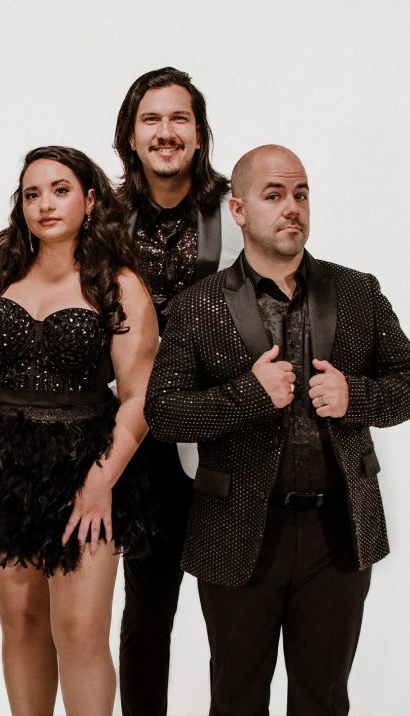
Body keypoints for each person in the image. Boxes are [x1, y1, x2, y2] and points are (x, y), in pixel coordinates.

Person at [145, 144, 410, 715]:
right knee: (236, 700)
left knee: (324, 700)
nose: (291, 207)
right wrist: (249, 394)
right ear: (240, 210)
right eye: (274, 196)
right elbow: (164, 411)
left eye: (300, 194)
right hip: (238, 533)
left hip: (337, 533)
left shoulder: (356, 292)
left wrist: (357, 395)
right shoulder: (197, 306)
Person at [0, 146, 157, 715]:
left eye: (59, 190)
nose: (44, 204)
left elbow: (138, 398)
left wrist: (100, 482)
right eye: (32, 193)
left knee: (81, 633)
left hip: (86, 464)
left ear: (90, 200)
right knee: (21, 626)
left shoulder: (120, 286)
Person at [111, 66, 240, 716]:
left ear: (199, 132)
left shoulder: (234, 211)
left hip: (225, 440)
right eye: (152, 119)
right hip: (141, 444)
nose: (166, 132)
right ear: (131, 136)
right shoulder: (102, 218)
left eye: (179, 118)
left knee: (236, 621)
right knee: (147, 615)